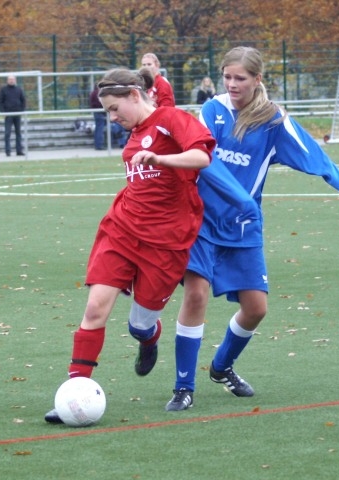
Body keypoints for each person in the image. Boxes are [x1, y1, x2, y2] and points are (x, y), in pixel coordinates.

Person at [164, 46, 339, 411]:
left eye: (240, 78)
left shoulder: (273, 121)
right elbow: (201, 156)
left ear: (257, 80)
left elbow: (308, 150)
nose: (232, 84)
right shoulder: (213, 110)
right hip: (202, 219)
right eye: (227, 76)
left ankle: (222, 368)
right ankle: (183, 387)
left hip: (243, 224)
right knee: (196, 294)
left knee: (256, 308)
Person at [44, 67, 215, 423]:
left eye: (113, 108)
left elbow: (202, 157)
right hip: (122, 231)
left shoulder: (171, 119)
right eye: (107, 111)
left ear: (135, 96)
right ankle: (75, 391)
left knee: (140, 324)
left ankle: (148, 337)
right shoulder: (135, 133)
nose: (111, 116)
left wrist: (160, 158)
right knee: (94, 310)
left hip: (166, 242)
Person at [0, 75, 26, 156]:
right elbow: (0, 102)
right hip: (8, 114)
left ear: (15, 80)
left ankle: (19, 151)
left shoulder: (19, 89)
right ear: (7, 80)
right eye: (10, 79)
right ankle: (8, 151)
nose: (11, 81)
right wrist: (3, 112)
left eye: (13, 79)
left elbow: (23, 100)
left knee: (18, 133)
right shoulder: (3, 90)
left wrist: (22, 111)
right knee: (7, 133)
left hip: (17, 114)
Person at [89, 85, 106, 150]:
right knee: (100, 129)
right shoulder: (98, 93)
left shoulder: (93, 93)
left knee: (98, 128)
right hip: (99, 112)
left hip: (96, 112)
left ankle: (97, 144)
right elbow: (99, 103)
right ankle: (99, 145)